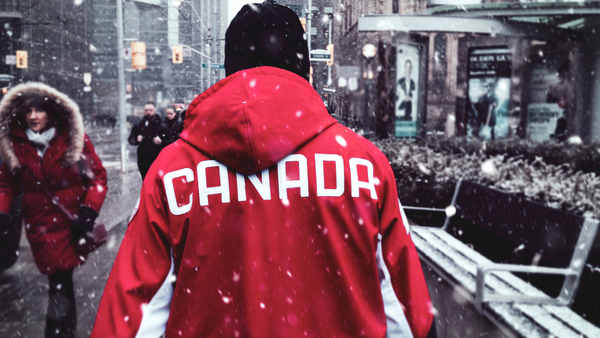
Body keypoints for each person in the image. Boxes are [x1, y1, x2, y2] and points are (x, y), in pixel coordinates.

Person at [91, 1, 435, 338]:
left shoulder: (173, 172)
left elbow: (131, 319)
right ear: (303, 67)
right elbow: (408, 315)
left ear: (229, 68)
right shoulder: (363, 165)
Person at [0, 82, 107, 338]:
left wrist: (89, 210)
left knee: (60, 282)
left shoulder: (73, 136)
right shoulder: (14, 142)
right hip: (39, 223)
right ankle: (62, 330)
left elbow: (98, 177)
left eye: (38, 110)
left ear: (51, 113)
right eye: (28, 111)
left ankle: (59, 332)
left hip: (71, 222)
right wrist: (2, 212)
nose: (33, 116)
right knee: (59, 281)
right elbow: (6, 184)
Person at [127, 102, 166, 179]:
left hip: (158, 158)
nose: (148, 112)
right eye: (146, 110)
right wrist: (136, 140)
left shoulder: (162, 125)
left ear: (155, 111)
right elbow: (131, 139)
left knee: (156, 180)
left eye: (150, 110)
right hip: (143, 158)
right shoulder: (139, 125)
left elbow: (170, 141)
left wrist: (161, 142)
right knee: (145, 180)